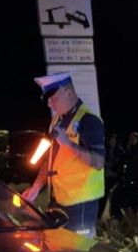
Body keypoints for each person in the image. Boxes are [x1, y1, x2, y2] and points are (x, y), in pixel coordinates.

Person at [21, 73, 106, 237]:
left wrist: (67, 143)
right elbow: (51, 159)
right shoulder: (56, 120)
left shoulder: (90, 121)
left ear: (68, 92)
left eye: (53, 97)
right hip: (58, 200)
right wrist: (36, 187)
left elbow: (98, 162)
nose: (50, 103)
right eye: (48, 98)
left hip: (81, 205)